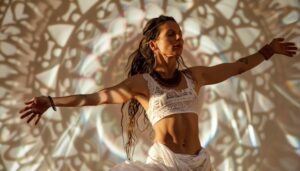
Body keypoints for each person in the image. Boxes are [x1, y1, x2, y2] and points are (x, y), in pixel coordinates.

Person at [19, 15, 298, 171]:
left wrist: (267, 51)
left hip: (199, 163)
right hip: (164, 165)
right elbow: (99, 97)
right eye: (171, 35)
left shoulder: (194, 77)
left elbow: (237, 67)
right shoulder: (143, 84)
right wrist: (52, 101)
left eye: (179, 34)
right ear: (154, 45)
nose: (179, 39)